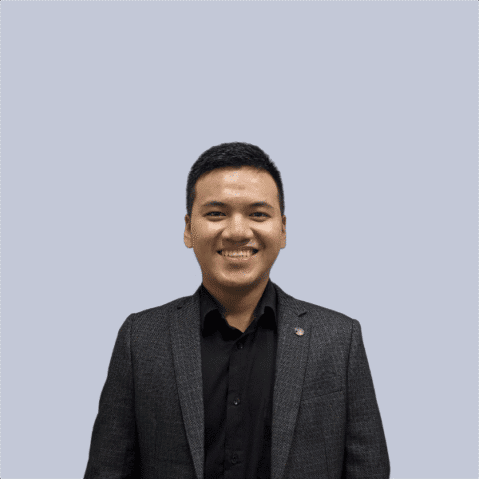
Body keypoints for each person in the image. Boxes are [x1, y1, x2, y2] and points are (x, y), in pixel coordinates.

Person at [84, 142, 390, 479]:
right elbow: (107, 470)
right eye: (216, 214)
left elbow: (369, 469)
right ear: (188, 229)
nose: (238, 232)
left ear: (283, 229)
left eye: (258, 214)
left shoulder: (339, 339)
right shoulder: (141, 339)